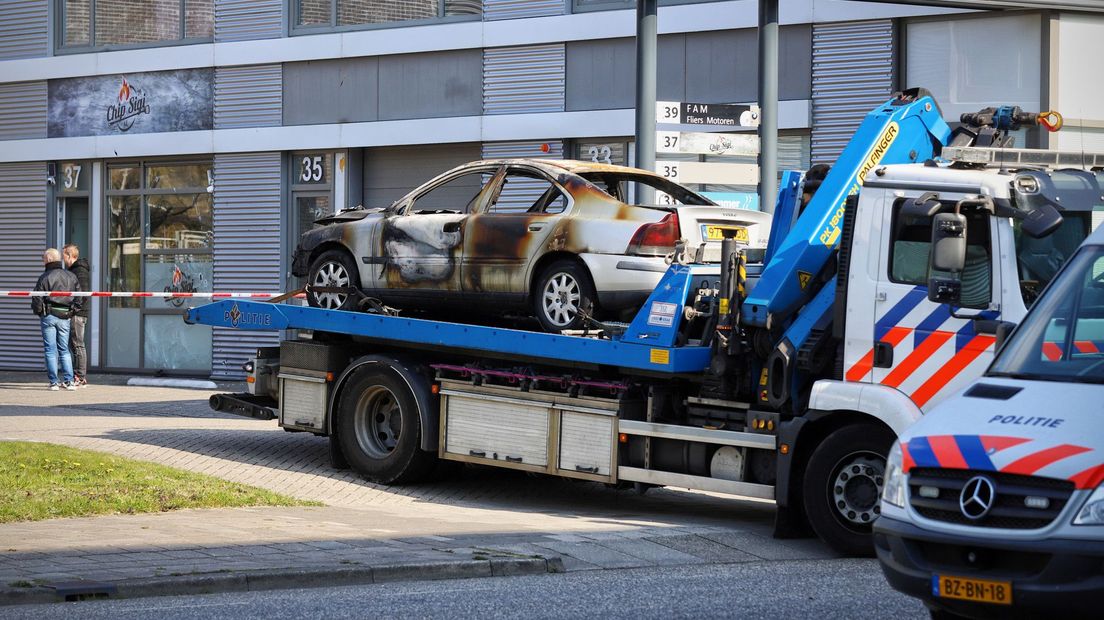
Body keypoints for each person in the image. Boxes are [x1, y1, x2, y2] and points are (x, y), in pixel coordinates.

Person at [31, 248, 79, 391]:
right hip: (65, 316)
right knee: (64, 349)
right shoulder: (71, 276)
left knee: (50, 350)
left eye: (43, 258)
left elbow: (37, 298)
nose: (42, 260)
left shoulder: (45, 277)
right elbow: (80, 297)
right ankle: (69, 381)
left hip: (49, 315)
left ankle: (53, 383)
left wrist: (40, 312)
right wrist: (72, 312)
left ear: (49, 259)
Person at [63, 244, 91, 388]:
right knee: (75, 345)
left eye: (64, 257)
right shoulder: (74, 270)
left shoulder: (79, 270)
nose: (63, 260)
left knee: (77, 344)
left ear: (70, 255)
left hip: (78, 314)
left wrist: (74, 310)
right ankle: (78, 375)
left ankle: (80, 377)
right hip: (78, 312)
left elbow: (83, 294)